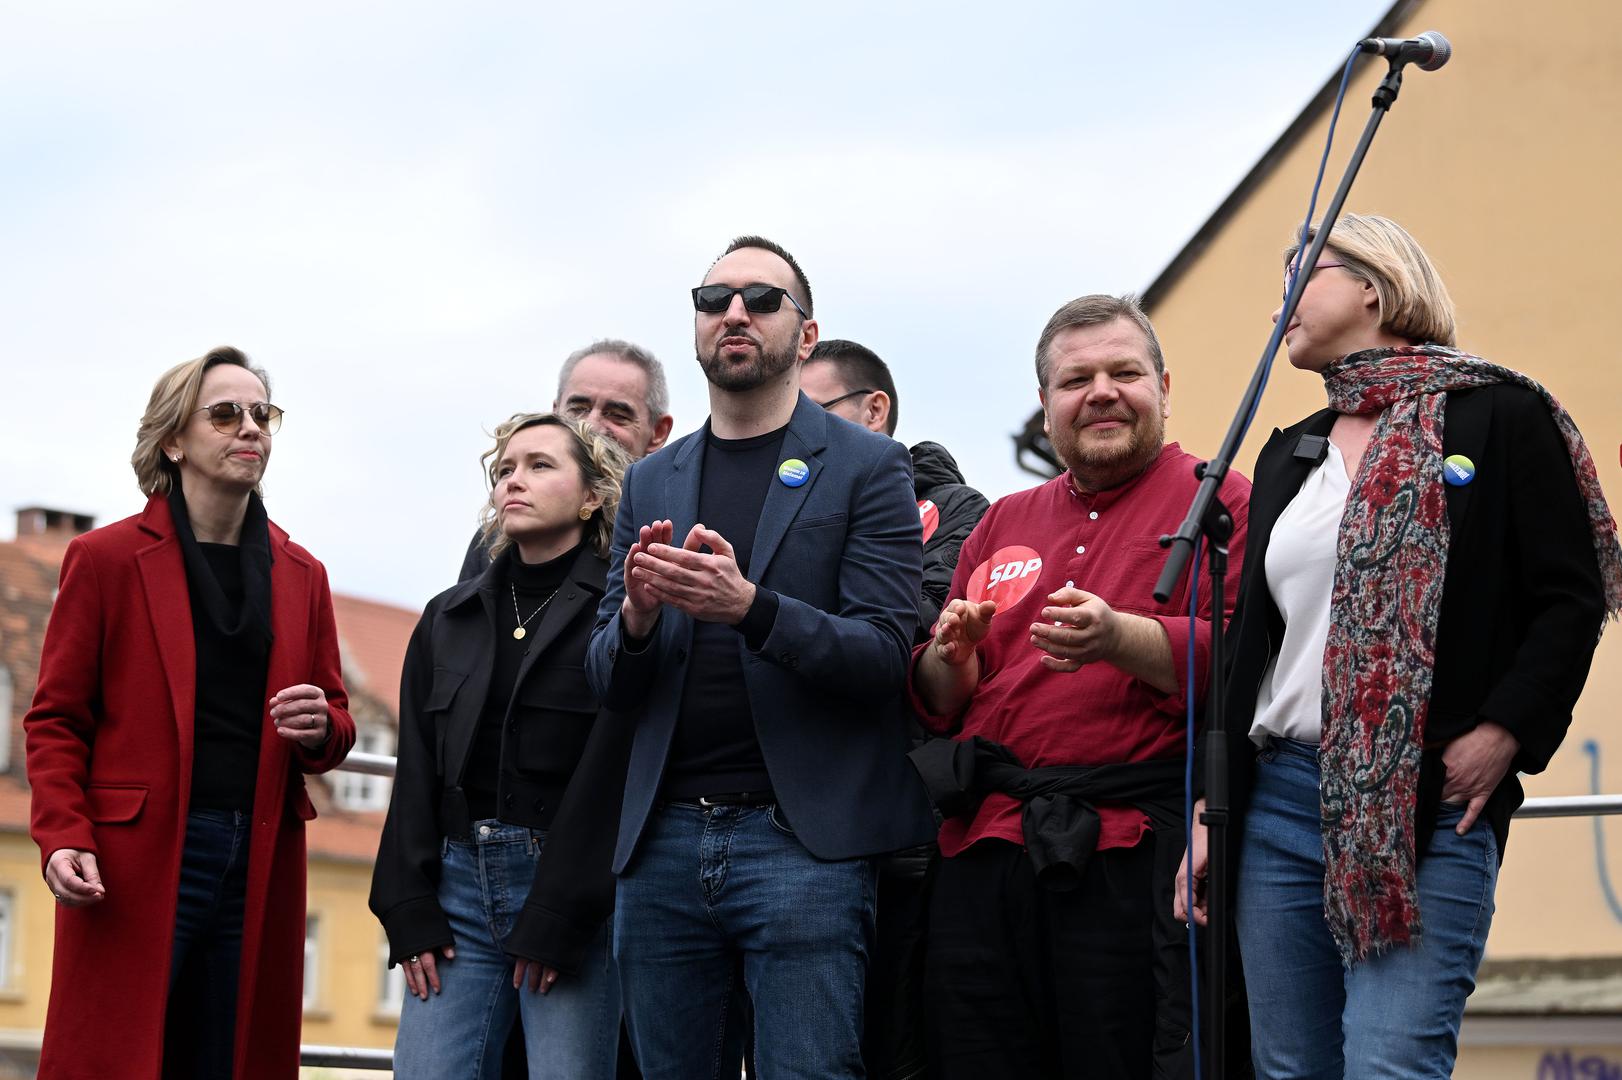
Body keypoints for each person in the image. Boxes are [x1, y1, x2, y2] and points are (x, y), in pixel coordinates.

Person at [1175, 213, 1621, 1078]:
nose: (1279, 312)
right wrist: (1209, 810)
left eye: (1299, 282)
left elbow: (1571, 599)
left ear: (1372, 288)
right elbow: (1253, 648)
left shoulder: (1499, 417)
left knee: (1391, 1065)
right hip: (1277, 804)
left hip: (1426, 799)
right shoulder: (1289, 455)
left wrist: (1504, 732)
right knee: (1290, 1070)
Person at [588, 235, 936, 1078]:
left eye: (761, 299)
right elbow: (604, 676)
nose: (734, 313)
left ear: (805, 335)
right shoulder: (651, 479)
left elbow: (886, 655)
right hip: (661, 842)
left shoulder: (869, 468)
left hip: (800, 844)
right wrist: (635, 617)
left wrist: (752, 609)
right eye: (714, 301)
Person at [908, 294, 1250, 1080]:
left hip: (1133, 853)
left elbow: (1245, 665)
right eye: (1076, 379)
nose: (1100, 391)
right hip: (984, 850)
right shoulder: (1001, 519)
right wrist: (950, 659)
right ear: (1044, 405)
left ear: (1164, 386)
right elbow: (938, 696)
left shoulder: (1223, 500)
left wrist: (1119, 637)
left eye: (1124, 372)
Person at [24, 345, 357, 1080]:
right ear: (174, 439)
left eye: (261, 414)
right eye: (226, 413)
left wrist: (321, 727)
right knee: (115, 1058)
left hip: (261, 854)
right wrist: (61, 835)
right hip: (133, 857)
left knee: (228, 1058)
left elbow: (335, 719)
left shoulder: (302, 573)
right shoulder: (106, 559)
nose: (250, 429)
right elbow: (56, 720)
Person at [372, 414, 633, 1080]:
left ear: (591, 496)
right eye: (504, 470)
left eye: (540, 465)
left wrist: (560, 910)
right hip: (456, 890)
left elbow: (614, 775)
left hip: (570, 894)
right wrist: (407, 906)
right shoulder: (448, 616)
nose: (515, 480)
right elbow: (418, 771)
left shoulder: (621, 613)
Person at [800, 338, 988, 1079]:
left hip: (910, 831)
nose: (795, 438)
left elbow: (918, 633)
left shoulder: (956, 512)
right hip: (800, 823)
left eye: (813, 415)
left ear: (873, 411)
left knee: (899, 1049)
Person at [459, 340, 674, 582]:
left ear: (658, 432)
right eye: (578, 408)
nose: (591, 425)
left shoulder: (667, 535)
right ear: (555, 413)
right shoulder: (494, 542)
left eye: (617, 414)